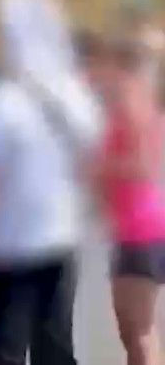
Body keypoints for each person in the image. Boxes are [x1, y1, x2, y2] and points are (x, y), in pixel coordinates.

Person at [0, 22, 102, 365]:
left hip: (9, 241)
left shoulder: (2, 100)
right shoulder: (75, 96)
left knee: (2, 342)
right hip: (60, 236)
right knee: (54, 339)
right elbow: (92, 162)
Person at [81, 35, 165, 365]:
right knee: (139, 332)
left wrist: (99, 168)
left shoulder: (130, 104)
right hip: (143, 227)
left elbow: (143, 165)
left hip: (138, 230)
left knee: (137, 332)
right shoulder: (143, 102)